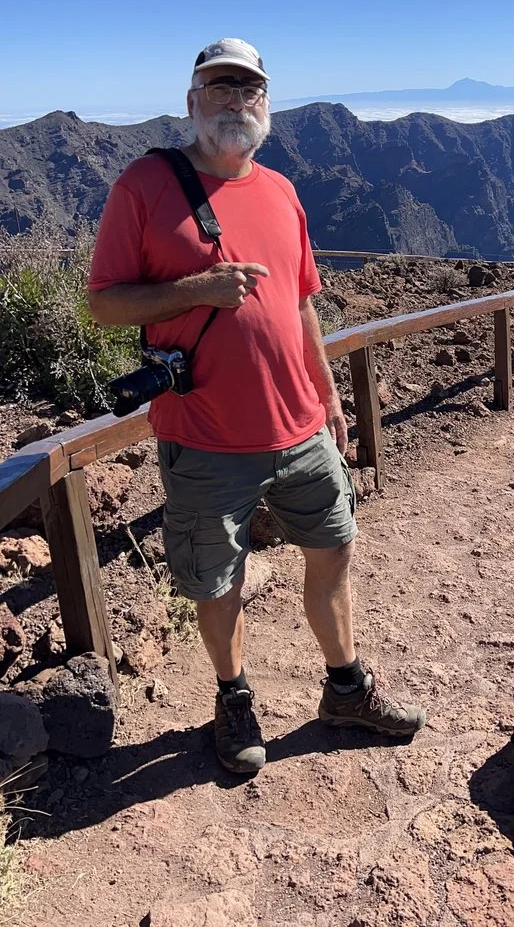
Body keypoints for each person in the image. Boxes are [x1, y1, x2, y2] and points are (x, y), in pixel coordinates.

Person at [87, 39, 426, 775]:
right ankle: (233, 696)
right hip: (205, 438)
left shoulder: (280, 190)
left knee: (334, 550)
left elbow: (300, 303)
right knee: (219, 580)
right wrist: (198, 291)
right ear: (192, 101)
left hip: (300, 425)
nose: (236, 100)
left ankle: (346, 689)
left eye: (250, 89)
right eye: (220, 87)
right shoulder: (145, 185)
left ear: (266, 104)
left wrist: (328, 394)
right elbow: (104, 304)